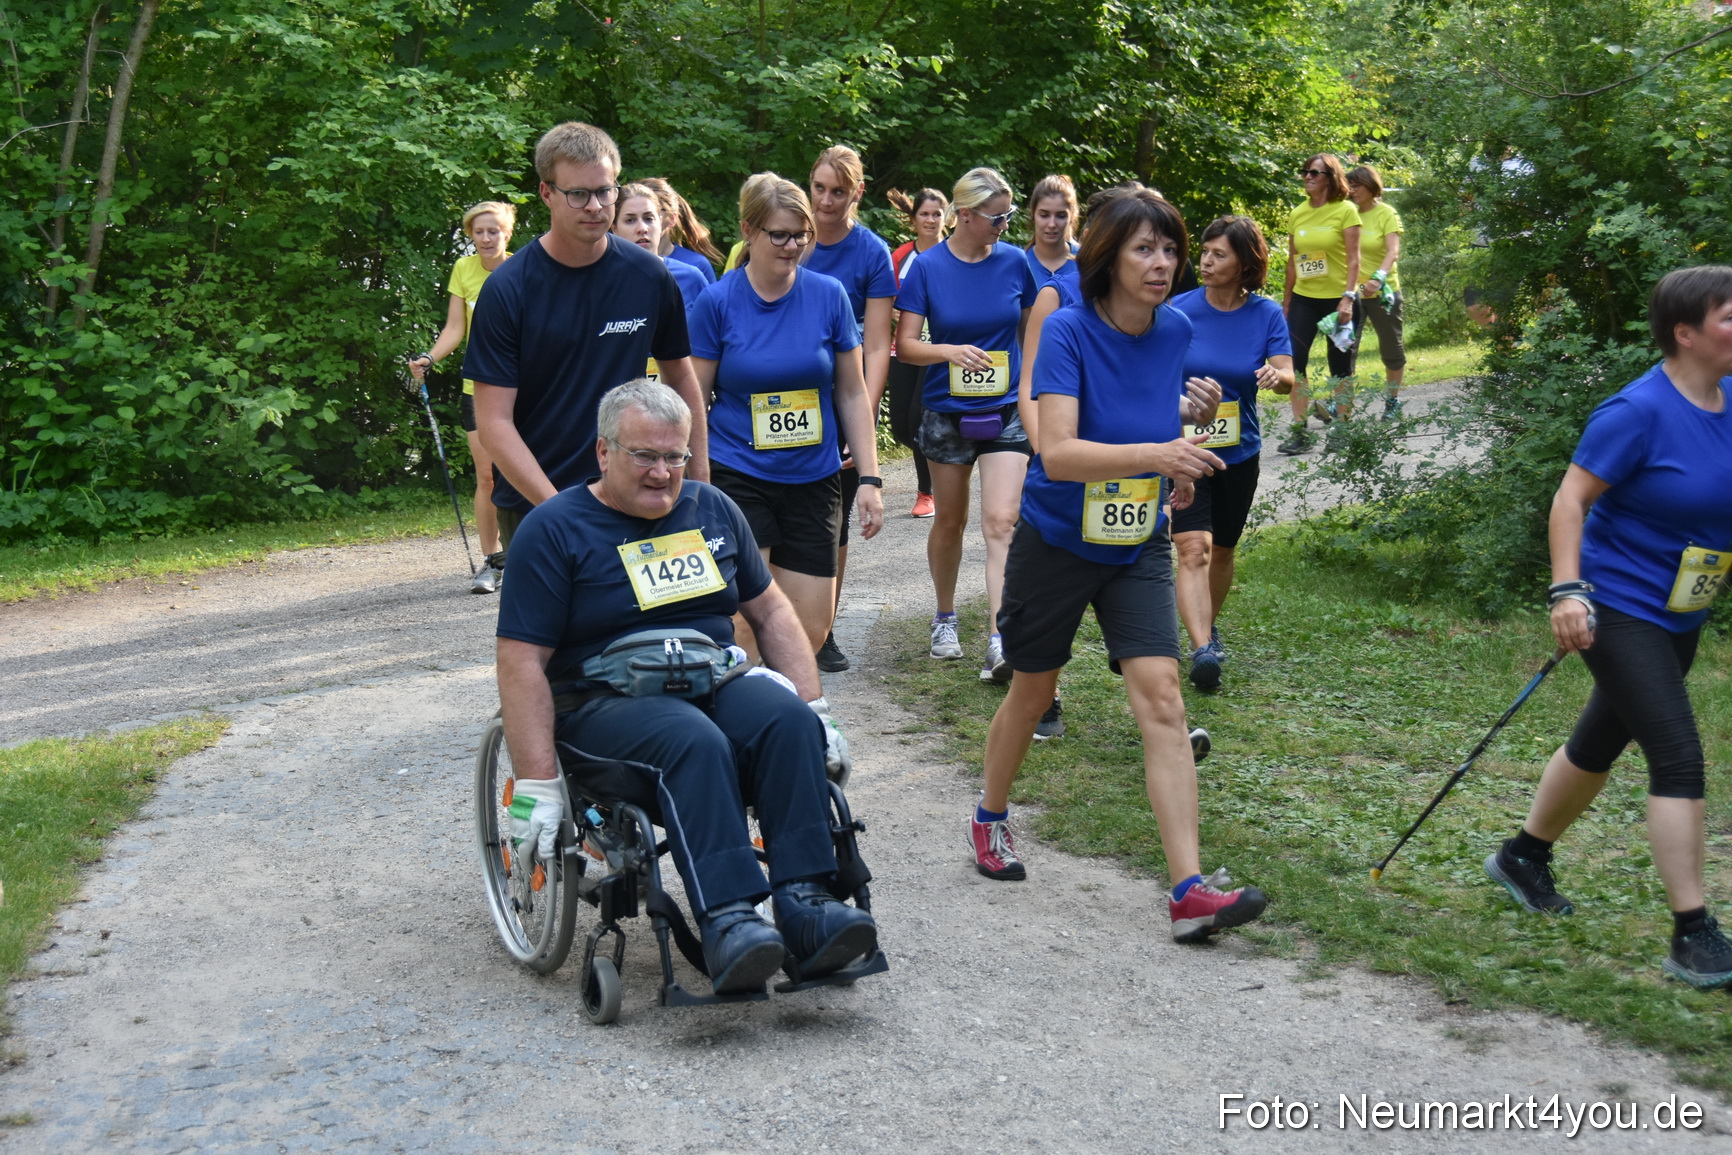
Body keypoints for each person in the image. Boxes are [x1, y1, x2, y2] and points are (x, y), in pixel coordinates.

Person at [496, 380, 878, 994]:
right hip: (603, 701)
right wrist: (536, 787)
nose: (662, 473)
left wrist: (818, 710)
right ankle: (728, 921)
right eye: (644, 456)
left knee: (788, 724)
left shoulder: (710, 508)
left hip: (708, 674)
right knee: (693, 741)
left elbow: (774, 613)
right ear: (603, 452)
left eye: (674, 456)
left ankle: (807, 907)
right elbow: (519, 660)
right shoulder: (556, 529)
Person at [970, 189, 1267, 945]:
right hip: (1058, 541)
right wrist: (1158, 451)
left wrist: (1184, 421)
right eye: (1145, 249)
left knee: (1163, 699)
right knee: (1034, 692)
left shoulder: (1175, 329)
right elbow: (1059, 451)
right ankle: (990, 815)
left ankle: (1189, 891)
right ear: (1108, 255)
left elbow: (1141, 415)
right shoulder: (1068, 327)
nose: (1163, 263)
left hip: (1135, 543)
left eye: (1170, 248)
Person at [1484, 266, 1732, 990]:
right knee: (1678, 756)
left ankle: (1523, 854)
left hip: (1684, 607)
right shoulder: (1637, 411)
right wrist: (1568, 591)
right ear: (1685, 331)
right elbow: (1570, 500)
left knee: (1602, 737)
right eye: (1729, 315)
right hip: (1620, 606)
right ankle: (1693, 931)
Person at [464, 122, 709, 547]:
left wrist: (698, 481)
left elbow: (682, 377)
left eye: (606, 191)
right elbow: (494, 423)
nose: (595, 206)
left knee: (654, 615)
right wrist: (559, 512)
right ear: (546, 193)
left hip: (636, 495)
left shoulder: (648, 275)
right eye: (578, 194)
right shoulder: (508, 289)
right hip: (536, 506)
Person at [689, 173, 884, 660]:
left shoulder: (829, 295)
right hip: (739, 475)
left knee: (811, 631)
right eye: (780, 234)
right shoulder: (717, 301)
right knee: (745, 623)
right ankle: (742, 729)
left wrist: (871, 478)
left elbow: (853, 392)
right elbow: (693, 400)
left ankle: (784, 726)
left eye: (802, 235)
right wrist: (694, 481)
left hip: (813, 479)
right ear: (748, 230)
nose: (793, 245)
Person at [894, 167, 1038, 681]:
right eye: (998, 216)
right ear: (967, 215)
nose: (1005, 224)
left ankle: (1001, 639)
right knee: (949, 522)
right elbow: (906, 346)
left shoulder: (1016, 262)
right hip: (945, 411)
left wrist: (1033, 387)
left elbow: (1033, 330)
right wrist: (949, 351)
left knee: (1002, 522)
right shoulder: (927, 267)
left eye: (1010, 215)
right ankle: (945, 617)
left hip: (1005, 413)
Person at [1169, 217, 1294, 692]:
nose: (1205, 260)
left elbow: (1287, 374)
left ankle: (1208, 626)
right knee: (1192, 547)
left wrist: (1274, 376)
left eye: (1219, 254)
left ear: (1245, 262)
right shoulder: (1178, 312)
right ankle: (1202, 647)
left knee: (1221, 548)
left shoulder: (1264, 315)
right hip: (1186, 449)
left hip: (1239, 453)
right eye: (1204, 251)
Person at [805, 145, 898, 673]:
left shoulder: (871, 252)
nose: (825, 200)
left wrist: (864, 407)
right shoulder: (791, 237)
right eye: (819, 188)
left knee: (832, 520)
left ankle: (824, 630)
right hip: (793, 391)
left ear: (856, 193)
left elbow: (880, 343)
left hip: (849, 391)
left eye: (838, 191)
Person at [409, 200, 516, 594]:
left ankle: (532, 554)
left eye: (493, 231)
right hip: (479, 387)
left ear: (507, 234)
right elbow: (455, 328)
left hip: (525, 387)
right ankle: (493, 561)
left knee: (525, 472)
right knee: (487, 476)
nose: (486, 239)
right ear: (470, 235)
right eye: (478, 232)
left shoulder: (525, 268)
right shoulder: (463, 270)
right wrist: (428, 358)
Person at [1277, 153, 1361, 455]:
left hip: (1339, 300)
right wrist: (1287, 301)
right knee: (1295, 362)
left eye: (1315, 172)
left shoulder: (1346, 211)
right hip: (1304, 298)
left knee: (1340, 366)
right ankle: (1301, 431)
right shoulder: (1297, 213)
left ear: (1330, 177)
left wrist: (1348, 297)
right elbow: (1293, 261)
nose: (1307, 177)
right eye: (1305, 172)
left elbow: (1354, 259)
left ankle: (1342, 426)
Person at [886, 187, 948, 520]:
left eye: (937, 213)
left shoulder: (954, 254)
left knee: (917, 418)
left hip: (938, 350)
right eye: (924, 213)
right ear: (914, 219)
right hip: (903, 348)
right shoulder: (901, 256)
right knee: (900, 428)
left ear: (947, 218)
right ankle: (944, 460)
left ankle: (928, 492)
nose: (930, 219)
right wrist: (898, 312)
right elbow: (886, 299)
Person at [1345, 165, 1406, 418]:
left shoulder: (1386, 214)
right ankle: (1341, 402)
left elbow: (1393, 251)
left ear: (1372, 187)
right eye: (1350, 186)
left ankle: (1392, 402)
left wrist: (1378, 278)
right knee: (1344, 348)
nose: (1352, 190)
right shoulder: (1347, 214)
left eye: (1357, 185)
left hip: (1383, 292)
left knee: (1392, 350)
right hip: (1353, 294)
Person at [613, 182, 709, 319]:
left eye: (648, 219)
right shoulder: (600, 280)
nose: (642, 228)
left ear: (660, 223)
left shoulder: (691, 278)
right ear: (615, 228)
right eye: (630, 220)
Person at [641, 176, 724, 285]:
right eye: (631, 219)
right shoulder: (617, 264)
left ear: (672, 218)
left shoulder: (697, 265)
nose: (642, 226)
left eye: (650, 216)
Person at [1023, 173, 1080, 300]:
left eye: (1061, 216)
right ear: (1033, 215)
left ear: (1072, 216)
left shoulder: (1087, 262)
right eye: (1044, 215)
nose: (1052, 224)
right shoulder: (1019, 264)